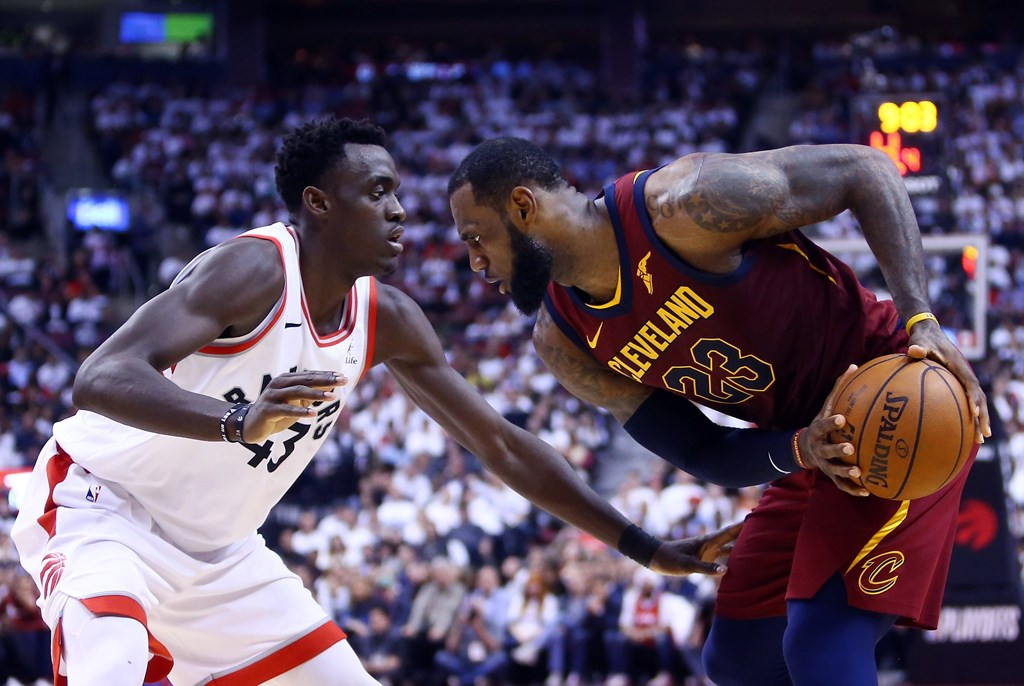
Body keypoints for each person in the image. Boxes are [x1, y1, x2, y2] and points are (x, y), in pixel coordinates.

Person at [10, 117, 739, 686]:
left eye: (396, 192)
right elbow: (100, 377)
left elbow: (504, 446)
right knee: (107, 661)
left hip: (220, 556)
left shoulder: (387, 317)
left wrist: (642, 547)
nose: (398, 211)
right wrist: (237, 421)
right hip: (102, 507)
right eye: (377, 192)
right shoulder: (253, 269)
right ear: (319, 205)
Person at [447, 137, 993, 686]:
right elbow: (702, 451)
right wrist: (802, 447)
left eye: (476, 238)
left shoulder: (683, 207)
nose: (473, 262)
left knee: (821, 638)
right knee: (739, 655)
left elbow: (867, 170)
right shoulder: (565, 342)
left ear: (523, 207)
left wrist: (922, 318)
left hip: (899, 401)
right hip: (808, 443)